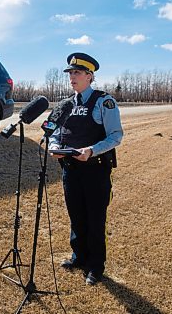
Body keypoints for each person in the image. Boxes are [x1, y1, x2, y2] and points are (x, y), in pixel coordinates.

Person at [48, 52, 123, 285]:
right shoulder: (65, 105)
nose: (72, 77)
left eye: (77, 72)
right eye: (70, 73)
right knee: (76, 216)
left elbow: (116, 136)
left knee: (95, 219)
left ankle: (95, 266)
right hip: (70, 170)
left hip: (95, 171)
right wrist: (54, 147)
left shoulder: (104, 101)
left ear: (90, 76)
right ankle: (78, 257)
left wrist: (91, 150)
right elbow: (55, 133)